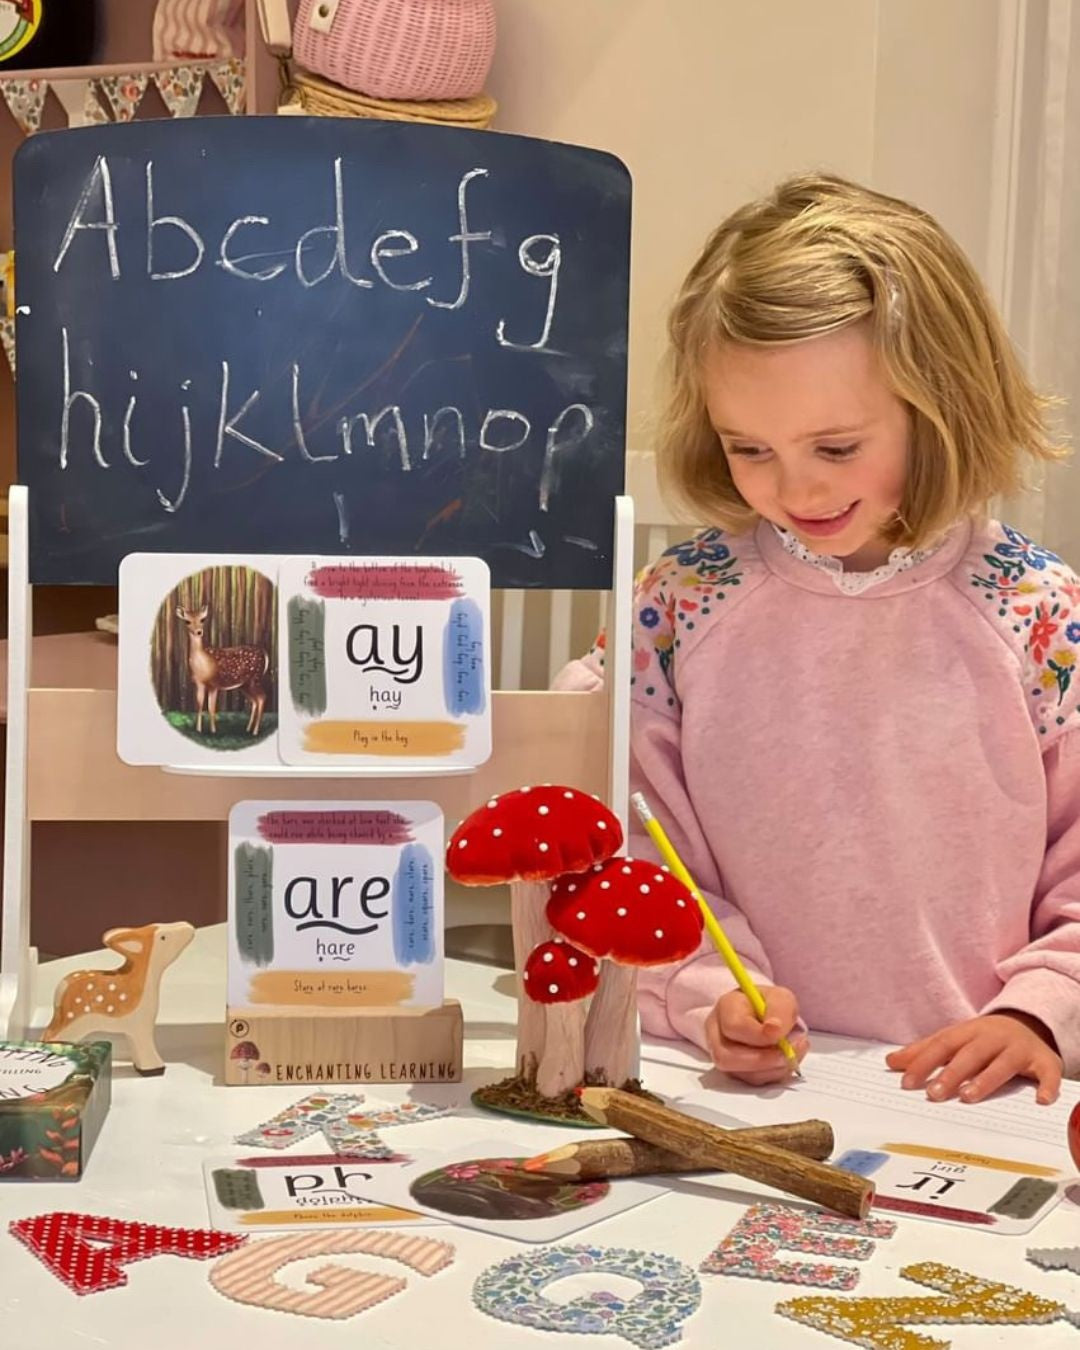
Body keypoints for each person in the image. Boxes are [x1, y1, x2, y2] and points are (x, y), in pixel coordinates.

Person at [557, 173, 1080, 1106]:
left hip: (981, 1105)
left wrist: (1040, 1010)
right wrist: (707, 994)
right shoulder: (675, 609)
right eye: (748, 447)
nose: (793, 490)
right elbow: (634, 845)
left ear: (944, 405)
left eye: (836, 448)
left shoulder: (1041, 614)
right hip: (730, 1092)